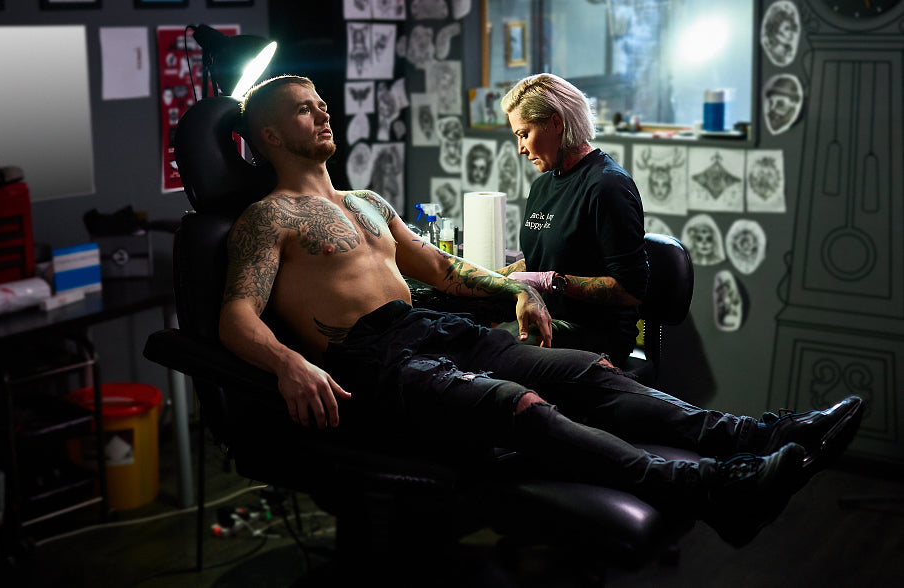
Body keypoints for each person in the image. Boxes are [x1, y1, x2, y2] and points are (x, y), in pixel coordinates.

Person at [220, 75, 864, 549]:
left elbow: (443, 271)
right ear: (272, 136)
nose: (322, 112)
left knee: (586, 371)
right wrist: (288, 364)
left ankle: (760, 435)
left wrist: (518, 290)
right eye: (305, 111)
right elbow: (236, 317)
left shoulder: (366, 201)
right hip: (373, 357)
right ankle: (718, 490)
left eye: (321, 103)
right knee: (516, 404)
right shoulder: (268, 218)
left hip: (434, 329)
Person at [497, 73, 647, 368]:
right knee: (463, 324)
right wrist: (488, 277)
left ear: (555, 123)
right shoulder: (543, 185)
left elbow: (630, 291)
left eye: (524, 134)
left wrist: (552, 282)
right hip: (548, 316)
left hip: (596, 336)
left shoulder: (607, 186)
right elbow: (538, 262)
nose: (521, 149)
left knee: (493, 346)